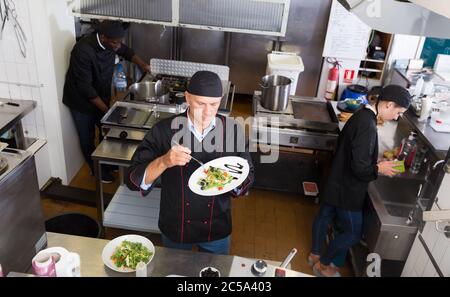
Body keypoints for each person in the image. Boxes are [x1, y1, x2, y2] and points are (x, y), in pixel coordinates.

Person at [125, 71, 254, 254]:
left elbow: (248, 175)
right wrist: (163, 161)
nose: (208, 112)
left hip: (216, 228)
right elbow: (132, 180)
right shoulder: (163, 130)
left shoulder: (233, 131)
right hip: (176, 226)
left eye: (214, 104)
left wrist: (230, 181)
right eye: (200, 103)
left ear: (221, 100)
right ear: (187, 97)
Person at [308, 85, 411, 277]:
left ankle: (314, 254)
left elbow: (356, 155)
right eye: (399, 112)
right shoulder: (368, 125)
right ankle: (323, 264)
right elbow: (360, 168)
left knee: (324, 215)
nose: (397, 117)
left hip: (337, 179)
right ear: (389, 105)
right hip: (348, 188)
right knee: (353, 233)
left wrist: (376, 162)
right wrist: (379, 168)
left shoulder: (362, 114)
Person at [63, 20, 150, 183]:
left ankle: (108, 163)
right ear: (103, 37)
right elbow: (85, 87)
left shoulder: (113, 42)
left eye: (119, 41)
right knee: (87, 137)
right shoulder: (83, 50)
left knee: (106, 129)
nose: (118, 45)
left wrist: (145, 66)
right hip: (80, 100)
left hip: (99, 94)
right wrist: (107, 110)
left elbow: (126, 52)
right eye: (115, 42)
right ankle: (96, 170)